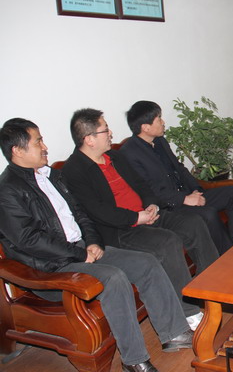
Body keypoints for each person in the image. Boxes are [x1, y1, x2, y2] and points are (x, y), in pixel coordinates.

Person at [0, 118, 196, 372]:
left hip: (81, 250)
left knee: (146, 262)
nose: (45, 147)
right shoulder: (8, 191)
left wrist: (92, 242)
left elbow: (81, 214)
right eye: (38, 142)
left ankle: (174, 333)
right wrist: (79, 253)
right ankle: (134, 360)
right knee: (113, 278)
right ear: (17, 150)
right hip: (51, 266)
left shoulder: (53, 177)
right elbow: (29, 240)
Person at [61, 108, 219, 329]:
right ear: (89, 139)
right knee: (167, 241)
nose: (111, 133)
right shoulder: (74, 171)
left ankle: (213, 286)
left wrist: (151, 205)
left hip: (147, 214)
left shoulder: (115, 157)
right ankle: (188, 311)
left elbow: (142, 185)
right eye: (106, 130)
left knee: (193, 223)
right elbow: (98, 211)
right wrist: (136, 217)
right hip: (120, 230)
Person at [119, 100, 233, 255]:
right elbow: (149, 191)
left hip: (188, 194)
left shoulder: (160, 141)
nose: (163, 122)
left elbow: (179, 168)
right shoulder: (129, 153)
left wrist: (196, 190)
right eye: (159, 119)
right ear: (145, 127)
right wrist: (185, 199)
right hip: (170, 206)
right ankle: (230, 255)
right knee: (208, 214)